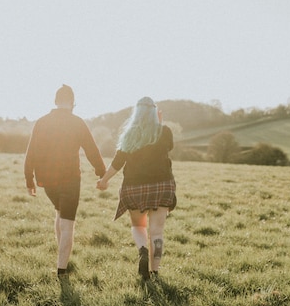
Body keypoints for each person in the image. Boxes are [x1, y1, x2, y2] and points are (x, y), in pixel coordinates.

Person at [24, 84, 106, 277]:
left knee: (59, 214)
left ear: (55, 101)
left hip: (47, 181)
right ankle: (62, 270)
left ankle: (62, 260)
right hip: (70, 180)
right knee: (67, 223)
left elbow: (31, 153)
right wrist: (101, 173)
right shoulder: (77, 122)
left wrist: (30, 180)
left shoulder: (42, 122)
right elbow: (91, 150)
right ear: (72, 102)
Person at [96, 97, 176, 280]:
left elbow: (117, 163)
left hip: (134, 188)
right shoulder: (164, 131)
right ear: (154, 112)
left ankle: (142, 250)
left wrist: (104, 181)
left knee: (138, 226)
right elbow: (169, 147)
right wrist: (160, 124)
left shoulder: (129, 134)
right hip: (161, 186)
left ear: (136, 112)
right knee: (157, 232)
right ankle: (155, 273)